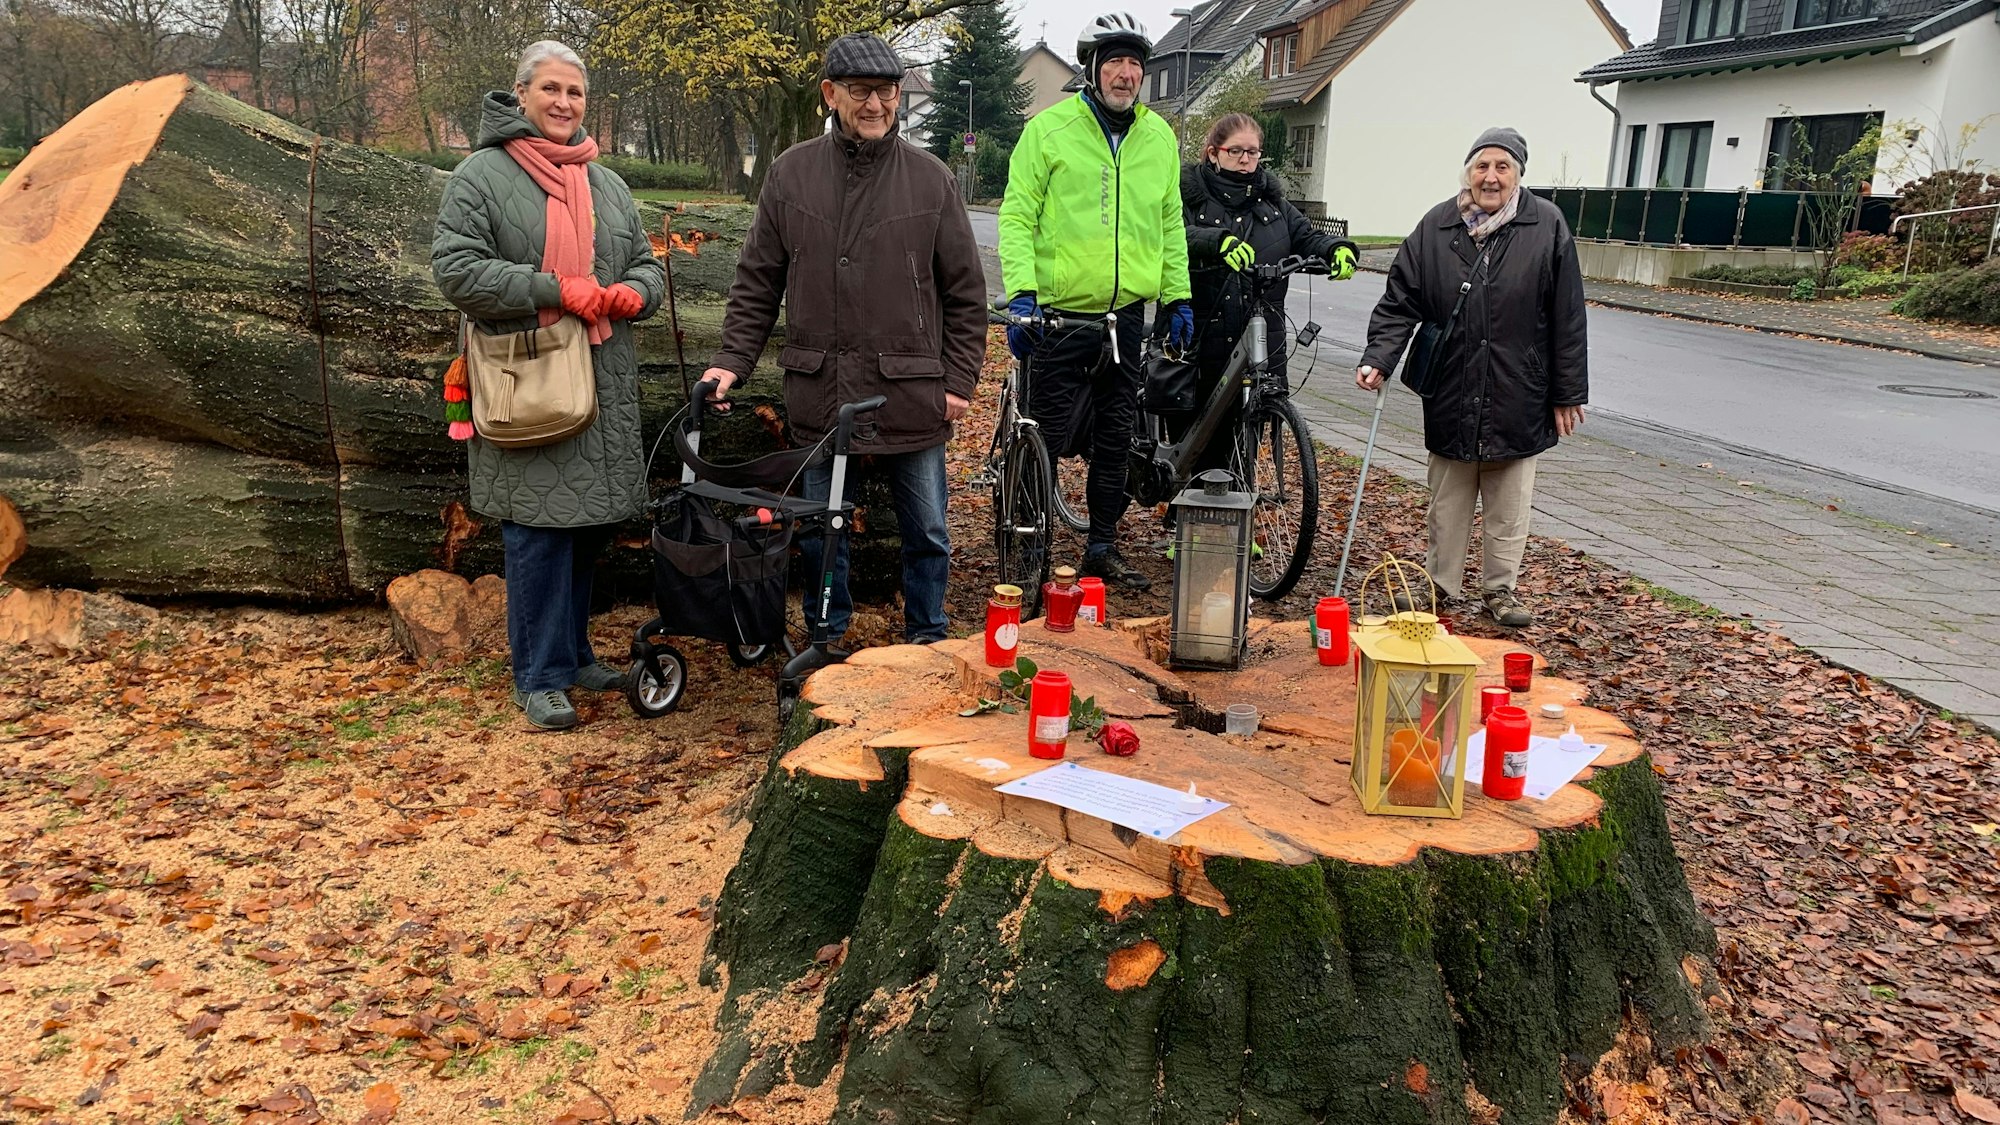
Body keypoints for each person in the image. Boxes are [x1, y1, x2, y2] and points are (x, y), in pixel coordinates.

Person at [701, 33, 985, 647]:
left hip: (910, 391)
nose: (876, 104)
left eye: (887, 91)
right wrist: (731, 360)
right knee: (820, 528)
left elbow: (965, 293)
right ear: (831, 94)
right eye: (861, 91)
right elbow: (758, 280)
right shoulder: (791, 173)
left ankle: (929, 636)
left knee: (929, 531)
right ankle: (826, 638)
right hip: (822, 389)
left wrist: (959, 383)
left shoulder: (931, 179)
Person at [432, 41, 663, 730]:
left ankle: (572, 656)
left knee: (585, 527)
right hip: (526, 380)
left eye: (575, 92)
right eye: (551, 89)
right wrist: (554, 288)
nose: (564, 103)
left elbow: (646, 264)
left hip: (600, 380)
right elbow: (457, 270)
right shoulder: (481, 175)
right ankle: (537, 677)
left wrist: (634, 292)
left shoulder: (606, 183)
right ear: (521, 94)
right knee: (537, 531)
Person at [1355, 127, 1588, 628]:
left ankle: (1500, 590)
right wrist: (1380, 356)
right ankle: (1439, 584)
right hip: (1452, 387)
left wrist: (1567, 392)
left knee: (1509, 502)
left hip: (1519, 388)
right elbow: (1400, 300)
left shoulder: (1546, 224)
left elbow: (1567, 315)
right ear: (1468, 172)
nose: (1491, 177)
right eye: (1482, 166)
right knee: (1447, 498)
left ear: (1518, 175)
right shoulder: (1437, 226)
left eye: (1503, 167)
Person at [998, 12, 1192, 590]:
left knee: (1115, 437)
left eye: (1134, 63)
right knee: (1047, 436)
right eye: (1114, 62)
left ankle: (1101, 545)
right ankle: (1028, 539)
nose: (1126, 74)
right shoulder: (1049, 131)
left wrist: (1177, 297)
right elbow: (1017, 215)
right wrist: (1022, 294)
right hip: (1058, 316)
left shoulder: (1159, 138)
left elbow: (1170, 224)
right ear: (1093, 68)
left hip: (1124, 317)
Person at [1178, 112, 1357, 474]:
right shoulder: (1189, 199)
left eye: (1253, 152)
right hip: (1204, 337)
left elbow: (1307, 236)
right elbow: (1171, 236)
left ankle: (1243, 497)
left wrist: (1336, 248)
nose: (1246, 159)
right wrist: (1216, 242)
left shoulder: (1274, 205)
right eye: (1236, 151)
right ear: (1213, 153)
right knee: (1201, 444)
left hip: (1263, 337)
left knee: (1250, 432)